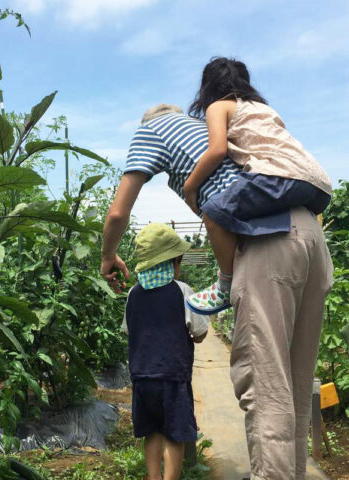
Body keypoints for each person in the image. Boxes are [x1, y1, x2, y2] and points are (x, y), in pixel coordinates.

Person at [183, 57, 332, 315]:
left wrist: (190, 185)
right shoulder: (263, 109)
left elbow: (216, 150)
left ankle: (225, 285)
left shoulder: (218, 106)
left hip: (280, 176)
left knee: (214, 212)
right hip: (317, 185)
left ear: (207, 86)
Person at [100, 102, 242, 293]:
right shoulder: (201, 124)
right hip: (276, 205)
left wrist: (108, 256)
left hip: (242, 226)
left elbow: (118, 213)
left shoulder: (149, 130)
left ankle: (226, 287)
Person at [122, 223, 208, 480]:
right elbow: (200, 333)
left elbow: (130, 330)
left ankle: (153, 477)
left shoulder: (133, 294)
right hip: (173, 378)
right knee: (174, 434)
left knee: (152, 432)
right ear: (173, 263)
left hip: (142, 378)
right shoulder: (182, 292)